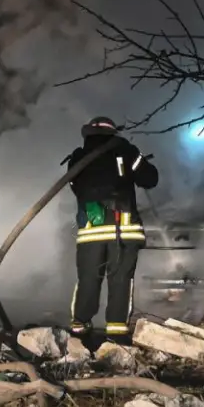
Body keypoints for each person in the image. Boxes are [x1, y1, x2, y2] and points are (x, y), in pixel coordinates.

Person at [64, 116, 158, 342]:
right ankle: (116, 332)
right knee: (120, 280)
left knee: (88, 278)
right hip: (123, 230)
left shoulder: (77, 157)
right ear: (113, 133)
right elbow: (150, 179)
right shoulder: (126, 151)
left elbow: (75, 188)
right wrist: (136, 162)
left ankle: (79, 328)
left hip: (90, 230)